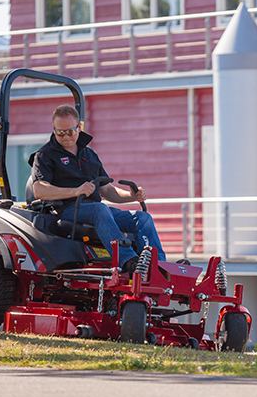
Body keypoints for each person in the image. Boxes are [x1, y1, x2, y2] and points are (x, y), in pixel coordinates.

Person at [29, 104, 166, 273]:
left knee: (142, 218)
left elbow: (107, 190)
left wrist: (132, 196)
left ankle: (158, 265)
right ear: (54, 130)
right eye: (60, 132)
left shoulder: (90, 155)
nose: (65, 136)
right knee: (99, 209)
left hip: (98, 211)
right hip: (68, 210)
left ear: (78, 127)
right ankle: (129, 260)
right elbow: (39, 190)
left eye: (70, 131)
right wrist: (75, 191)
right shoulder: (45, 155)